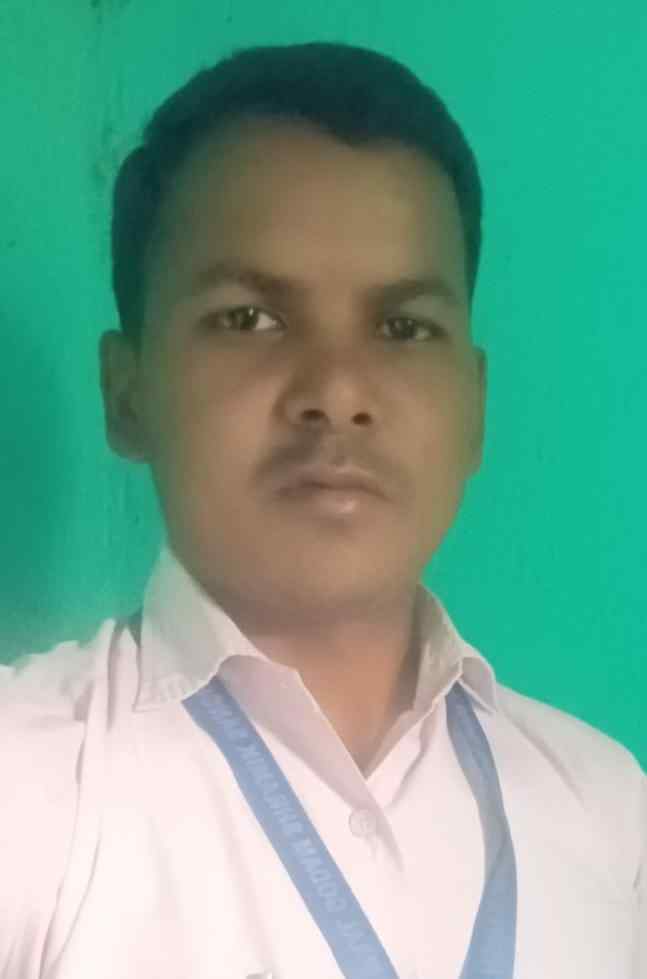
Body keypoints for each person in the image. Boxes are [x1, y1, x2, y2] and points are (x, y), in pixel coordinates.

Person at [1, 41, 644, 979]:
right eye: (248, 318)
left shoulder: (608, 816)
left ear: (473, 407)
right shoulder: (26, 790)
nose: (337, 391)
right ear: (126, 392)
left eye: (402, 328)